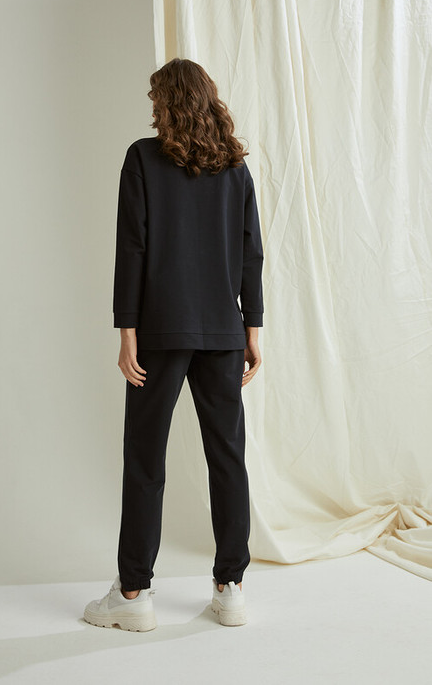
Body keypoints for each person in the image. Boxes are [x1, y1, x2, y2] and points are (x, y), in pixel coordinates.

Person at [83, 58, 264, 631]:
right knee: (227, 458)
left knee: (145, 459)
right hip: (223, 332)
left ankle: (133, 594)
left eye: (156, 98)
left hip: (160, 332)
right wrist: (252, 329)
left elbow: (132, 247)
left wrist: (127, 331)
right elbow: (251, 252)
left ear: (167, 102)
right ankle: (231, 588)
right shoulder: (234, 168)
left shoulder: (142, 158)